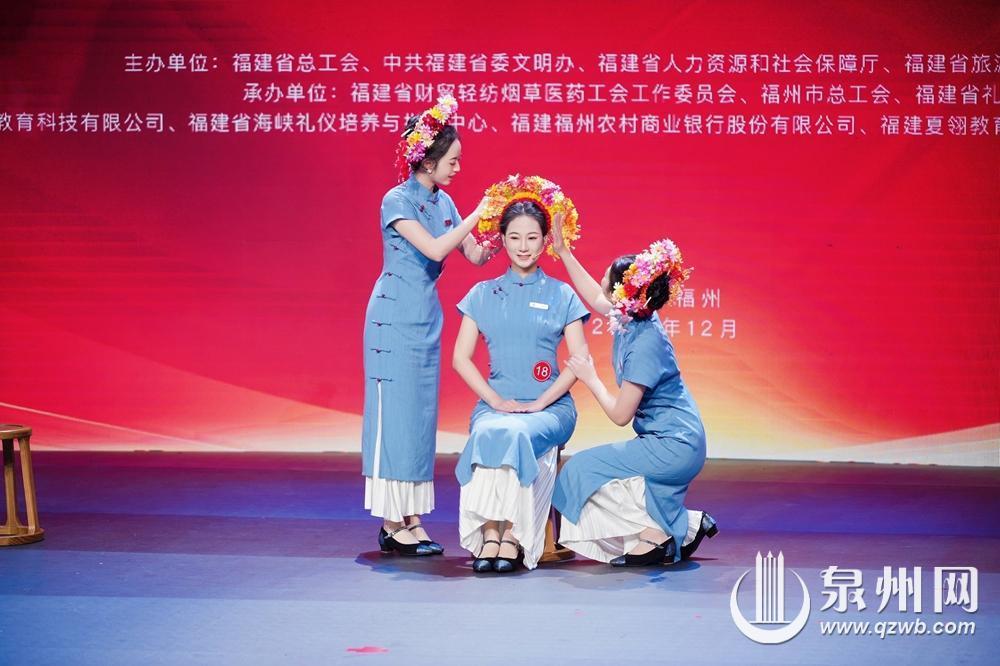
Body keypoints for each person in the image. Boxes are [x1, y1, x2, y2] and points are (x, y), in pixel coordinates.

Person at [363, 96, 493, 557]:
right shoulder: (396, 200)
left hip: (425, 318)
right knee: (395, 418)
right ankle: (391, 522)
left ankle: (412, 519)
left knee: (419, 419)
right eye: (452, 161)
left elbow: (474, 255)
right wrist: (477, 213)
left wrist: (508, 227)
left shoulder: (444, 201)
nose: (458, 168)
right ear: (429, 160)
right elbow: (436, 250)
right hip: (393, 318)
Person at [550, 229, 718, 566]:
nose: (601, 281)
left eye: (607, 277)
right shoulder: (633, 314)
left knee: (578, 471)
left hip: (673, 444)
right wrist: (564, 252)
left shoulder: (644, 343)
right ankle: (686, 526)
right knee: (597, 473)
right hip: (673, 438)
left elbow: (620, 415)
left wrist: (589, 377)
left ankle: (653, 535)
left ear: (621, 293)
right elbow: (595, 297)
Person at [452, 196, 590, 573]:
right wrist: (495, 400)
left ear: (546, 240)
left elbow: (579, 361)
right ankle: (490, 533)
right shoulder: (482, 294)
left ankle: (514, 534)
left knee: (515, 432)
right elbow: (460, 358)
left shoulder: (562, 294)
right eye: (515, 238)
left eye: (532, 237)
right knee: (489, 431)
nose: (523, 247)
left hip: (550, 408)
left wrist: (541, 402)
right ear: (502, 239)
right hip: (497, 405)